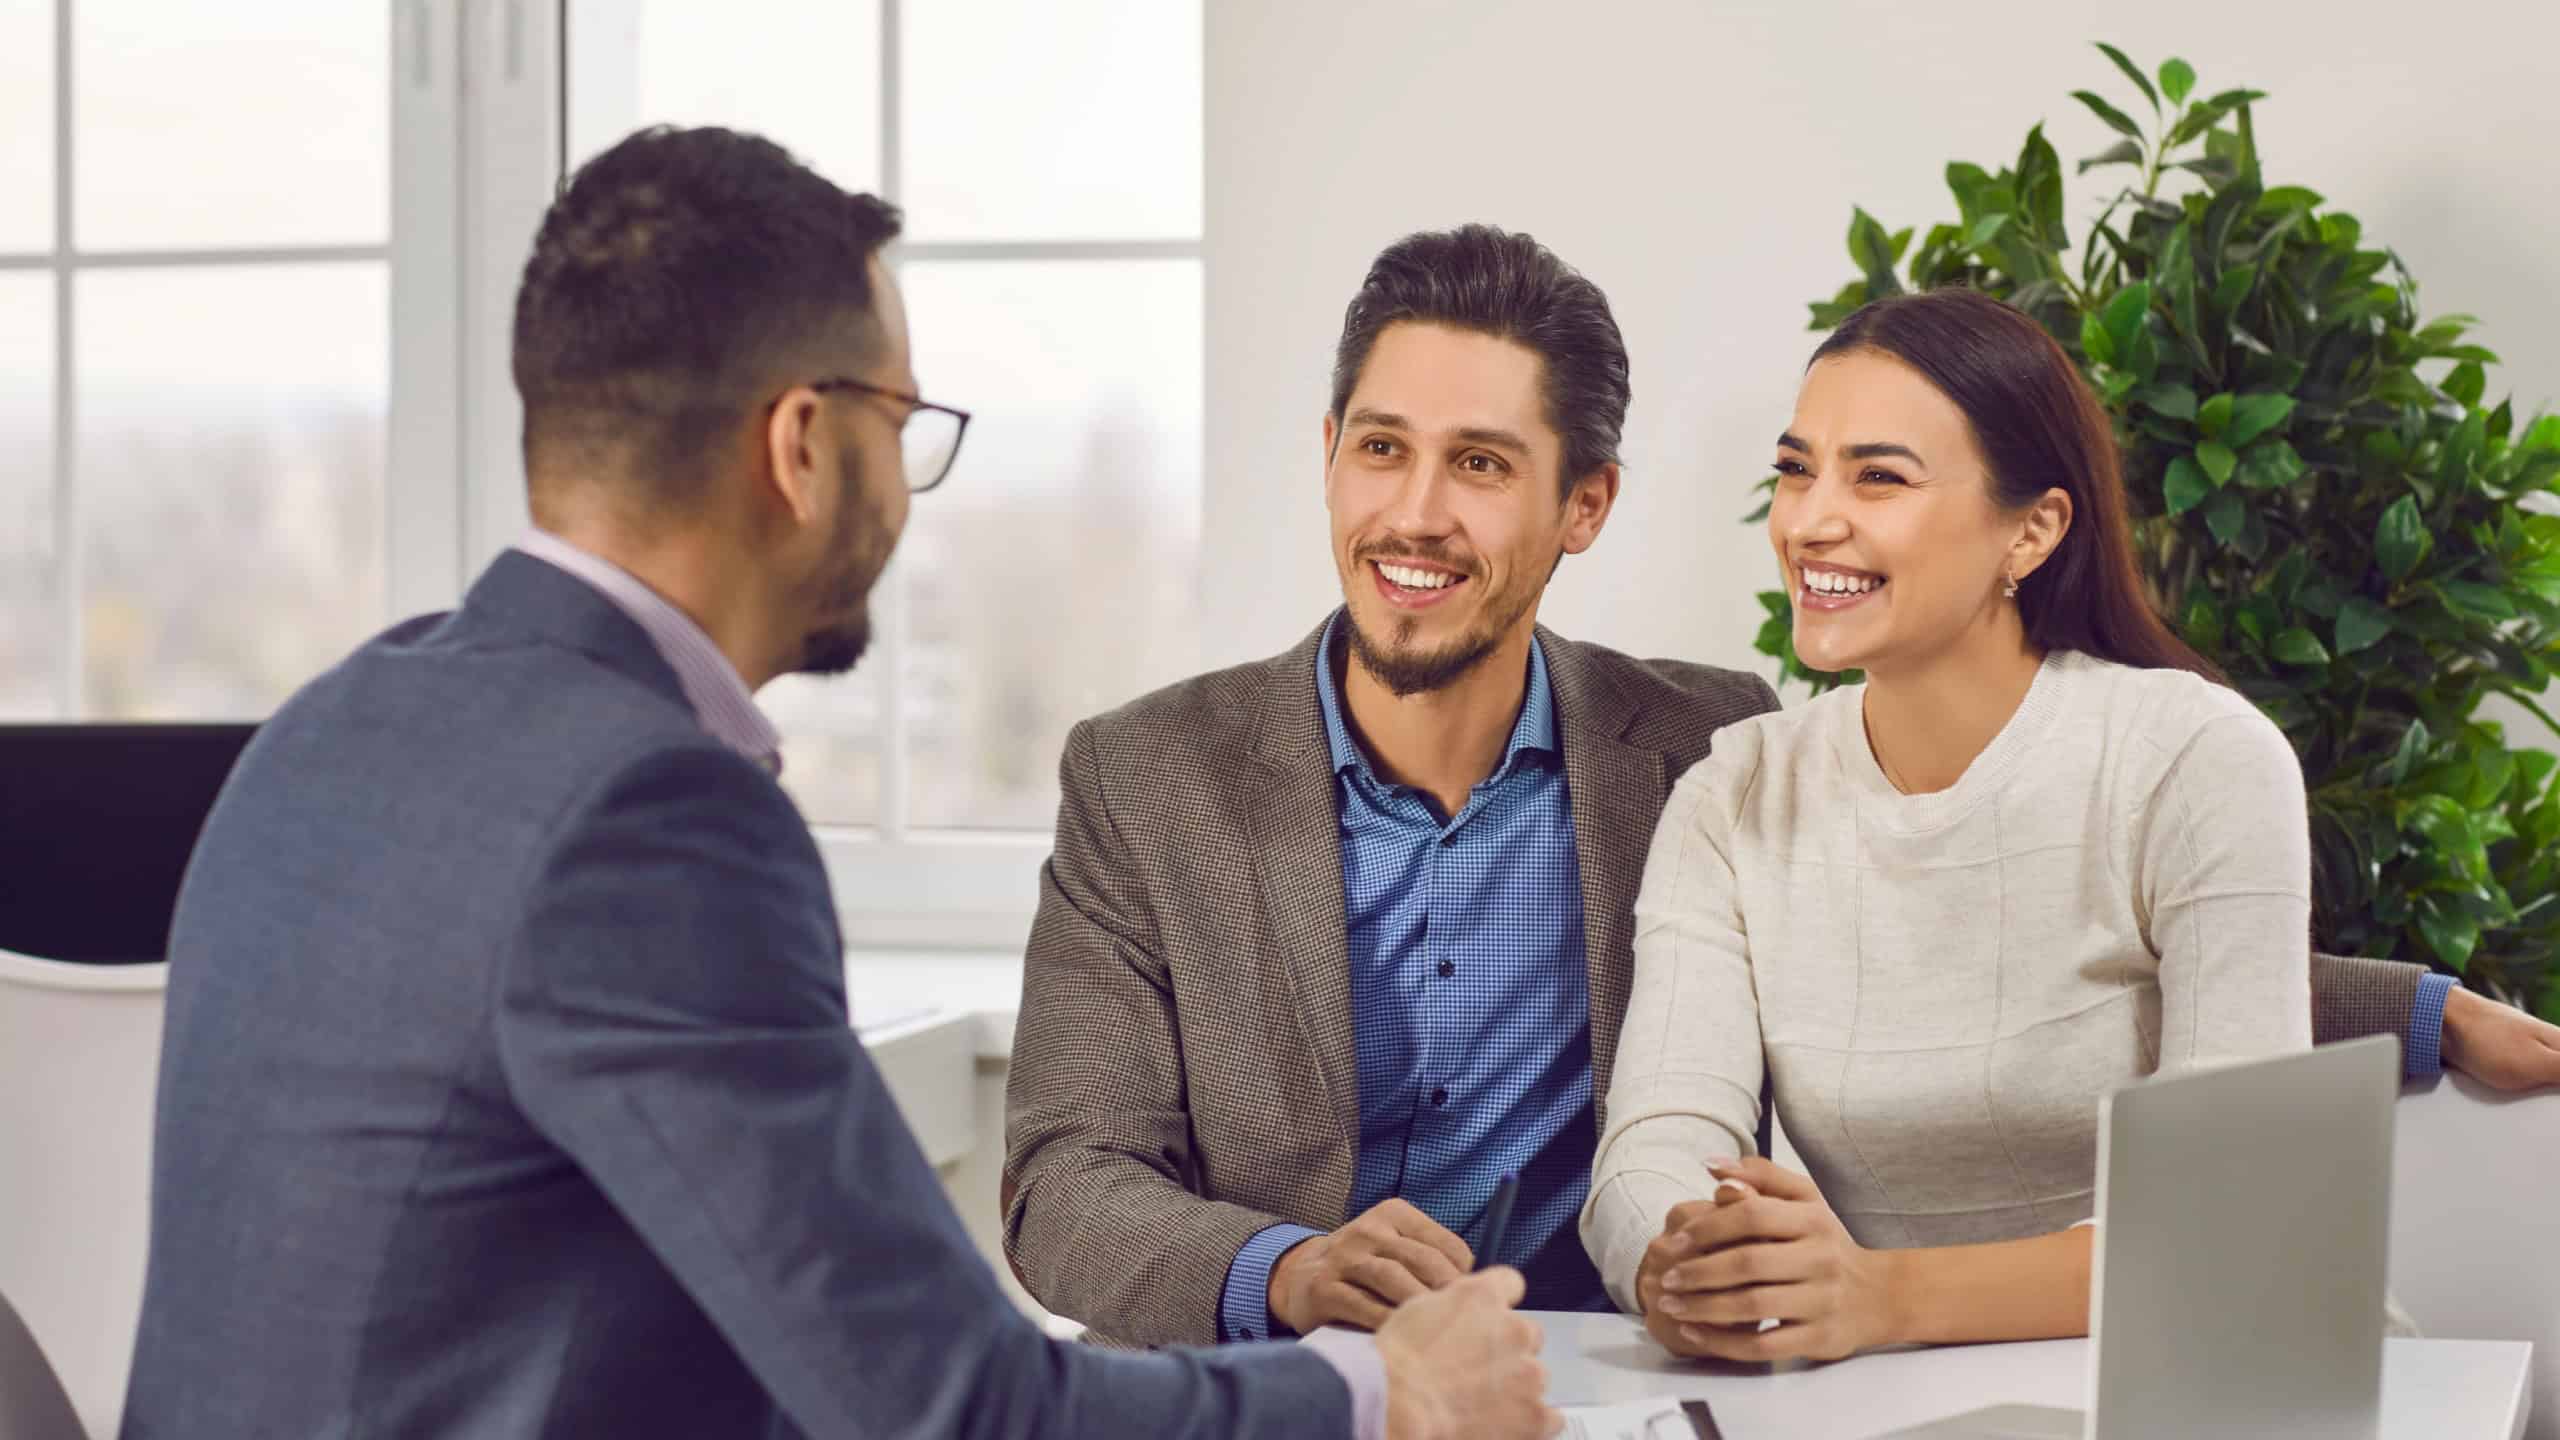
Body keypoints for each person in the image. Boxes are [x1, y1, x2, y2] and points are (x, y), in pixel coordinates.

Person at [119, 127, 1558, 1440]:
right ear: (802, 445)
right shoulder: (647, 821)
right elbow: (954, 1409)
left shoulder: (336, 719)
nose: (907, 471)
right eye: (900, 419)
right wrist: (1392, 1391)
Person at [1000, 228, 2469, 1353]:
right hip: (1284, 1392)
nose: (1416, 513)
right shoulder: (1148, 779)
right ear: (1329, 460)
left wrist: (2422, 1007)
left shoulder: (1691, 744)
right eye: (1381, 450)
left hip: (1585, 1377)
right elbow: (1063, 1178)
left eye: (1482, 464)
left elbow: (2040, 933)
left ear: (1587, 506)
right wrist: (1285, 1272)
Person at [1586, 286, 2335, 1361]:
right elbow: (1654, 1143)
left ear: (2030, 530)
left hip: (2215, 1380)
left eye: (1878, 477)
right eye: (1796, 470)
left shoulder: (2194, 758)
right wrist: (1680, 1258)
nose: (1809, 520)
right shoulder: (1734, 792)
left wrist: (1880, 1299)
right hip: (1888, 1402)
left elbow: (2228, 1218)